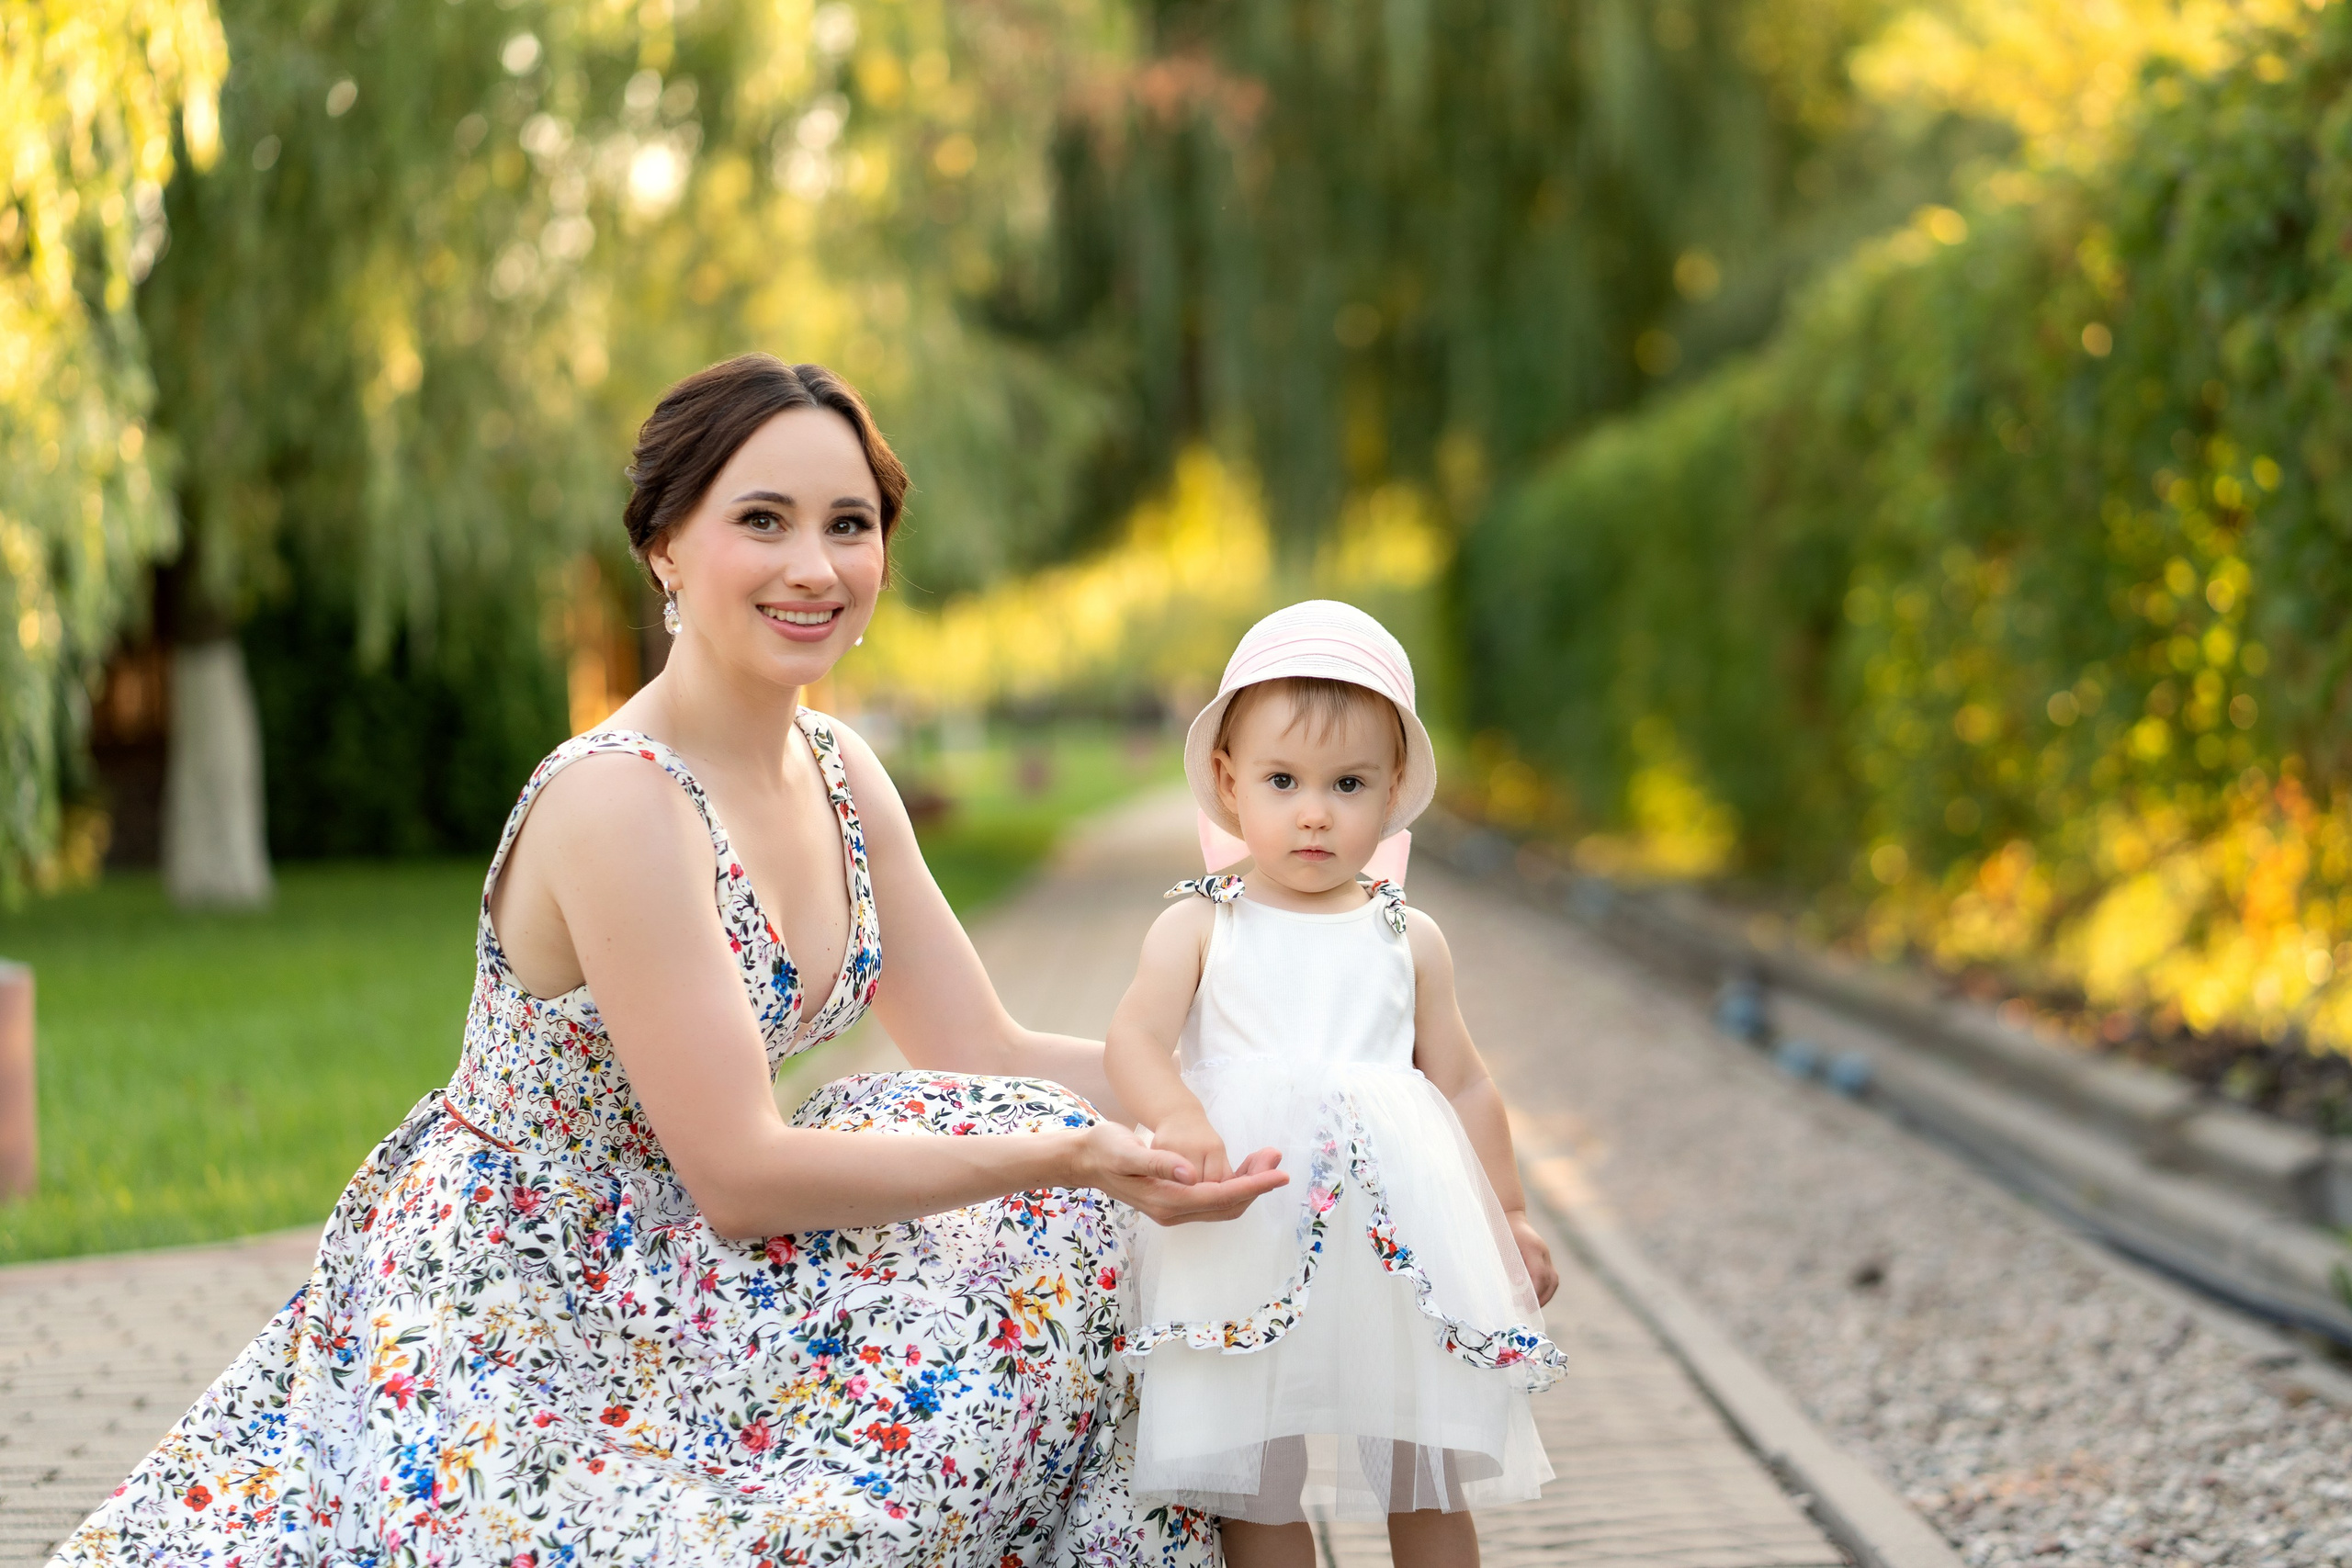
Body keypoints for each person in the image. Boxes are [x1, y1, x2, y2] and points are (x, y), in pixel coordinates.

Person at [52, 355, 1288, 1568]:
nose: (815, 565)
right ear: (665, 547)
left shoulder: (841, 774)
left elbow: (990, 1048)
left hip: (704, 1270)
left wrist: (1258, 1088)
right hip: (530, 1299)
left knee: (1051, 1191)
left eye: (848, 524)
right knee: (1044, 1179)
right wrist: (1080, 1156)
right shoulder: (618, 800)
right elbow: (746, 1171)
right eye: (764, 520)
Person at [1104, 600, 1566, 1568]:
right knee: (1256, 1480)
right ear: (1229, 785)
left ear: (1394, 790)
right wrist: (1177, 1114)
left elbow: (1467, 1084)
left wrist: (1510, 1216)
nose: (1313, 810)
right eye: (1283, 780)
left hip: (1399, 1239)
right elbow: (1135, 1040)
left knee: (1425, 1464)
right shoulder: (1199, 925)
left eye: (1347, 783)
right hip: (1248, 1222)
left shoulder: (1407, 936)